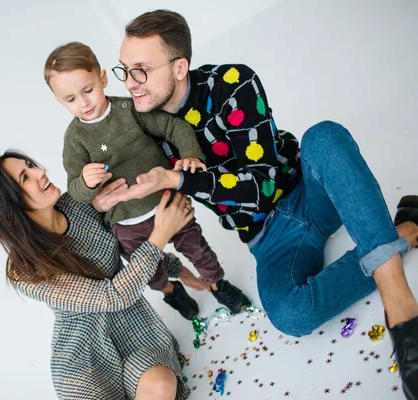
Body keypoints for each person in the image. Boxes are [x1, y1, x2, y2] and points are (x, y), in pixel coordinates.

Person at [102, 9, 418, 398]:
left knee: (324, 137)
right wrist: (98, 188)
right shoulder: (139, 126)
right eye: (123, 70)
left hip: (310, 190)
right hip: (269, 241)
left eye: (141, 70)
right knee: (290, 314)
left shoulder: (232, 84)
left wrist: (179, 177)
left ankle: (400, 307)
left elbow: (261, 186)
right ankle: (403, 232)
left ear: (179, 66)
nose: (130, 84)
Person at [43, 41, 251, 320]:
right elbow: (76, 191)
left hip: (166, 200)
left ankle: (217, 284)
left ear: (102, 78)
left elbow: (173, 126)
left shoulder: (128, 110)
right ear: (59, 101)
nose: (83, 103)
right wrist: (86, 181)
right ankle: (169, 292)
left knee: (197, 248)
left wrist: (190, 154)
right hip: (128, 222)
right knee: (150, 270)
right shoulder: (75, 140)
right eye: (71, 99)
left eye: (88, 90)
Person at [0, 151, 192, 399]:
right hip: (84, 354)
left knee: (161, 385)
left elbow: (130, 246)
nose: (40, 172)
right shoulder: (25, 269)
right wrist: (161, 233)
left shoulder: (81, 204)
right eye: (25, 178)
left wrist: (181, 271)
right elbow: (112, 295)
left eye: (31, 165)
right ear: (8, 208)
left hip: (136, 330)